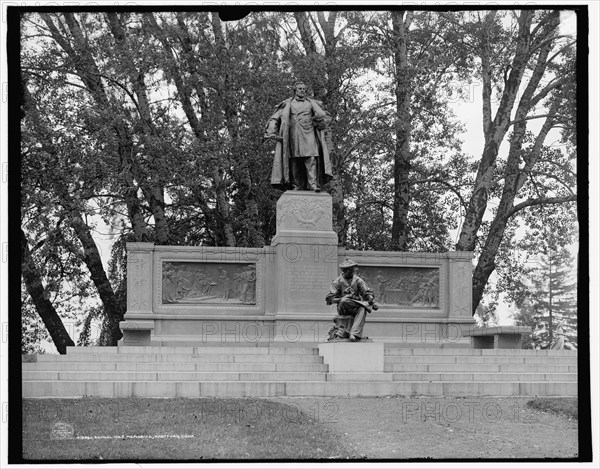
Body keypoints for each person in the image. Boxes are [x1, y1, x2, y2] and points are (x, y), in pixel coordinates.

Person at [264, 82, 333, 192]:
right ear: (295, 90)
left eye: (304, 89)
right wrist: (271, 130)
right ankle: (296, 185)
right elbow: (274, 118)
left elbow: (325, 116)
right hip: (292, 136)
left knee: (311, 159)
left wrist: (320, 123)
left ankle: (313, 184)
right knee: (294, 161)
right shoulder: (287, 104)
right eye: (300, 89)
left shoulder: (312, 103)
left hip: (309, 134)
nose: (302, 91)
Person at [325, 259, 376, 341]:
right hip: (343, 308)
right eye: (350, 271)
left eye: (353, 270)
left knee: (362, 308)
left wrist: (370, 298)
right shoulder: (337, 282)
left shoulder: (358, 280)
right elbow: (330, 299)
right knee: (345, 301)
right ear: (344, 271)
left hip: (355, 307)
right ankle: (363, 304)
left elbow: (366, 291)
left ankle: (354, 334)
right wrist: (341, 299)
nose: (352, 272)